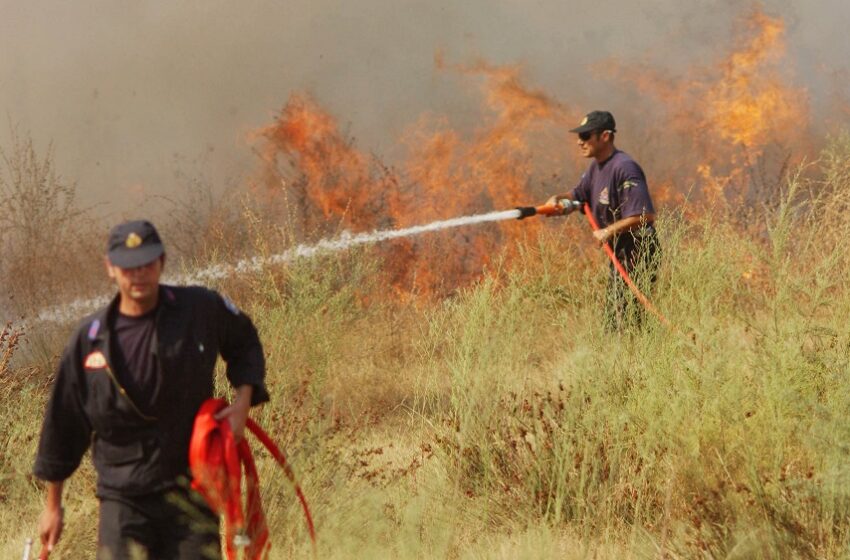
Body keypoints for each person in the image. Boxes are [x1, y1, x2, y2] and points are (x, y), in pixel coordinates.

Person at [33, 220, 269, 559]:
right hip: (123, 499)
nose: (138, 274)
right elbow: (63, 424)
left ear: (161, 262)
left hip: (191, 490)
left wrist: (243, 402)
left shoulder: (199, 309)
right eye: (128, 267)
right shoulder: (89, 340)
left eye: (146, 263)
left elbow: (244, 341)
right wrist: (53, 506)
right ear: (111, 269)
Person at [544, 110, 660, 329]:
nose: (580, 142)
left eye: (586, 136)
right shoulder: (596, 168)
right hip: (620, 251)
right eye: (579, 137)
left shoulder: (624, 167)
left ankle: (636, 358)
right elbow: (579, 195)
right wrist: (559, 201)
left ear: (605, 136)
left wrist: (608, 231)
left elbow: (645, 215)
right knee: (617, 316)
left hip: (638, 248)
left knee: (626, 318)